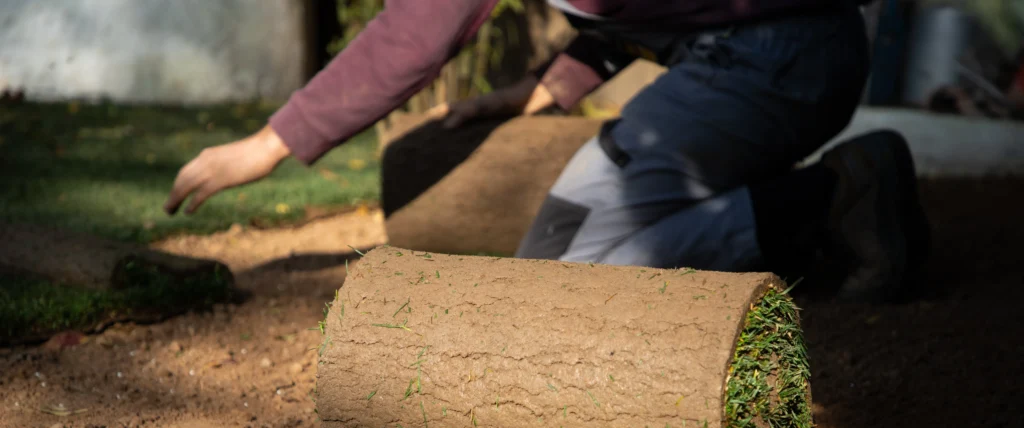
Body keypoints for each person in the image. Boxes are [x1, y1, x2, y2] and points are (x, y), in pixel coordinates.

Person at [164, 0, 930, 302]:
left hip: (771, 57)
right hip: (782, 48)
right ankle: (821, 201)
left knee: (568, 275)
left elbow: (417, 33)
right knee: (567, 254)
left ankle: (830, 201)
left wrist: (272, 142)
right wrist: (545, 87)